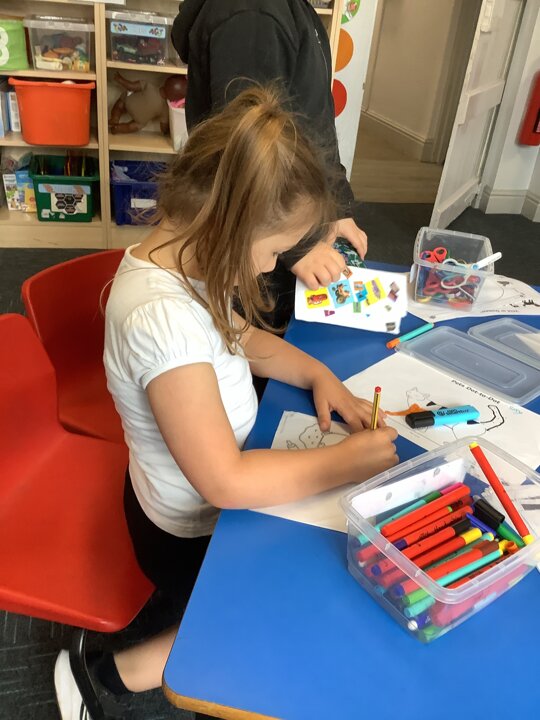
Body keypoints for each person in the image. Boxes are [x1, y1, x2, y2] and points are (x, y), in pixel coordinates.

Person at [53, 87, 398, 720]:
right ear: (231, 225)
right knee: (307, 603)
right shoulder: (161, 319)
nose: (272, 266)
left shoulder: (186, 262)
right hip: (189, 530)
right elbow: (225, 481)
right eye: (274, 251)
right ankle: (106, 673)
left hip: (205, 494)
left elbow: (242, 339)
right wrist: (345, 463)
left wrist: (317, 372)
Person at [171, 0, 369, 327]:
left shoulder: (292, 10)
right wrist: (300, 248)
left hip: (284, 222)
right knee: (251, 336)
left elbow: (315, 118)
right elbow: (251, 156)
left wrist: (336, 205)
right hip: (262, 233)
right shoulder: (254, 14)